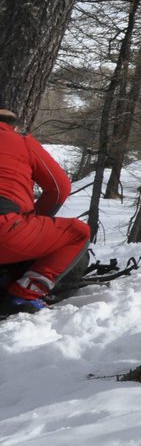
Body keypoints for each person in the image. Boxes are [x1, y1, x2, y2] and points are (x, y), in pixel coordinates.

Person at [0, 108, 90, 313]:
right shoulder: (22, 141)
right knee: (78, 232)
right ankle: (22, 296)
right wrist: (33, 220)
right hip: (5, 230)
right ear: (15, 127)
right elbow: (59, 188)